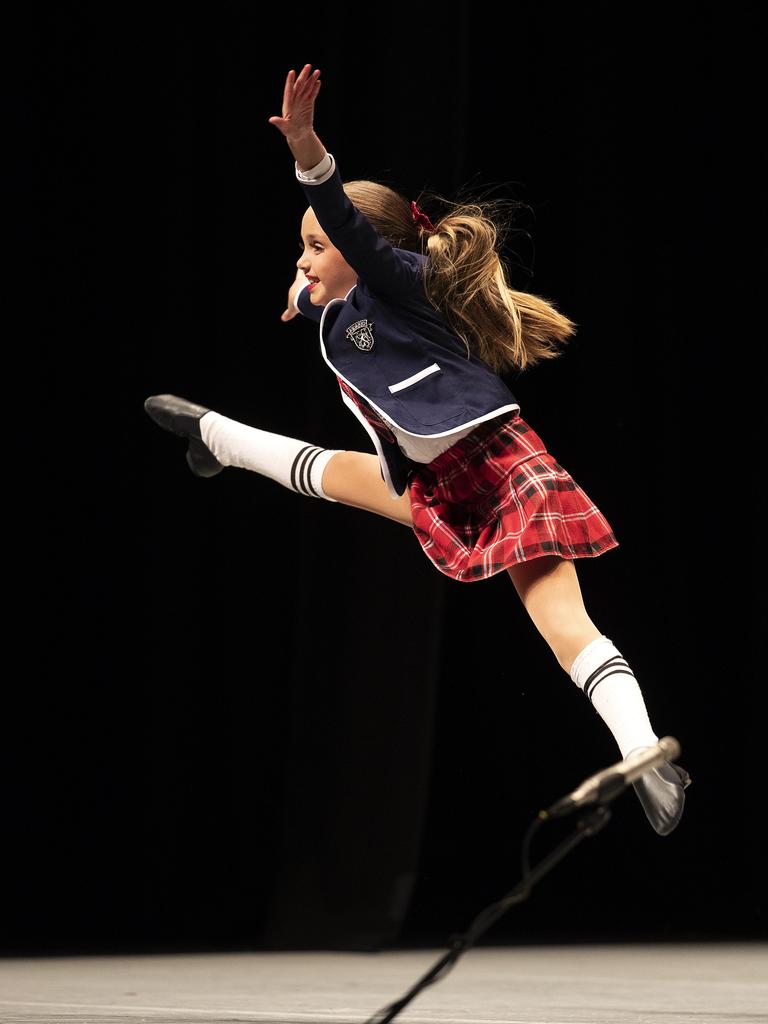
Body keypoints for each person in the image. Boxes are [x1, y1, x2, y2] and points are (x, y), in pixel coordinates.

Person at [145, 64, 691, 835]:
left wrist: (307, 151)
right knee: (339, 476)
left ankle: (644, 754)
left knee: (563, 624)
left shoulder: (406, 279)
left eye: (315, 245)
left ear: (368, 251)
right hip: (434, 477)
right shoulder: (344, 303)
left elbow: (347, 232)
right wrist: (304, 293)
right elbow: (321, 296)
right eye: (298, 246)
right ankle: (216, 439)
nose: (303, 258)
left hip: (502, 469)